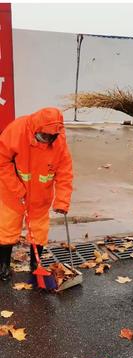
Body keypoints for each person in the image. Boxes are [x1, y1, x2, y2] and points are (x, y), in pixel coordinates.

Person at [0, 107, 73, 281]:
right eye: (43, 136)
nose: (47, 140)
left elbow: (65, 172)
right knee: (7, 228)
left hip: (41, 195)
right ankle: (3, 264)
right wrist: (17, 188)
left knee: (39, 231)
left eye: (51, 137)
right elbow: (2, 161)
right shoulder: (17, 130)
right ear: (35, 129)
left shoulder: (58, 140)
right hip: (13, 193)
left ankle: (35, 264)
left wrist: (62, 201)